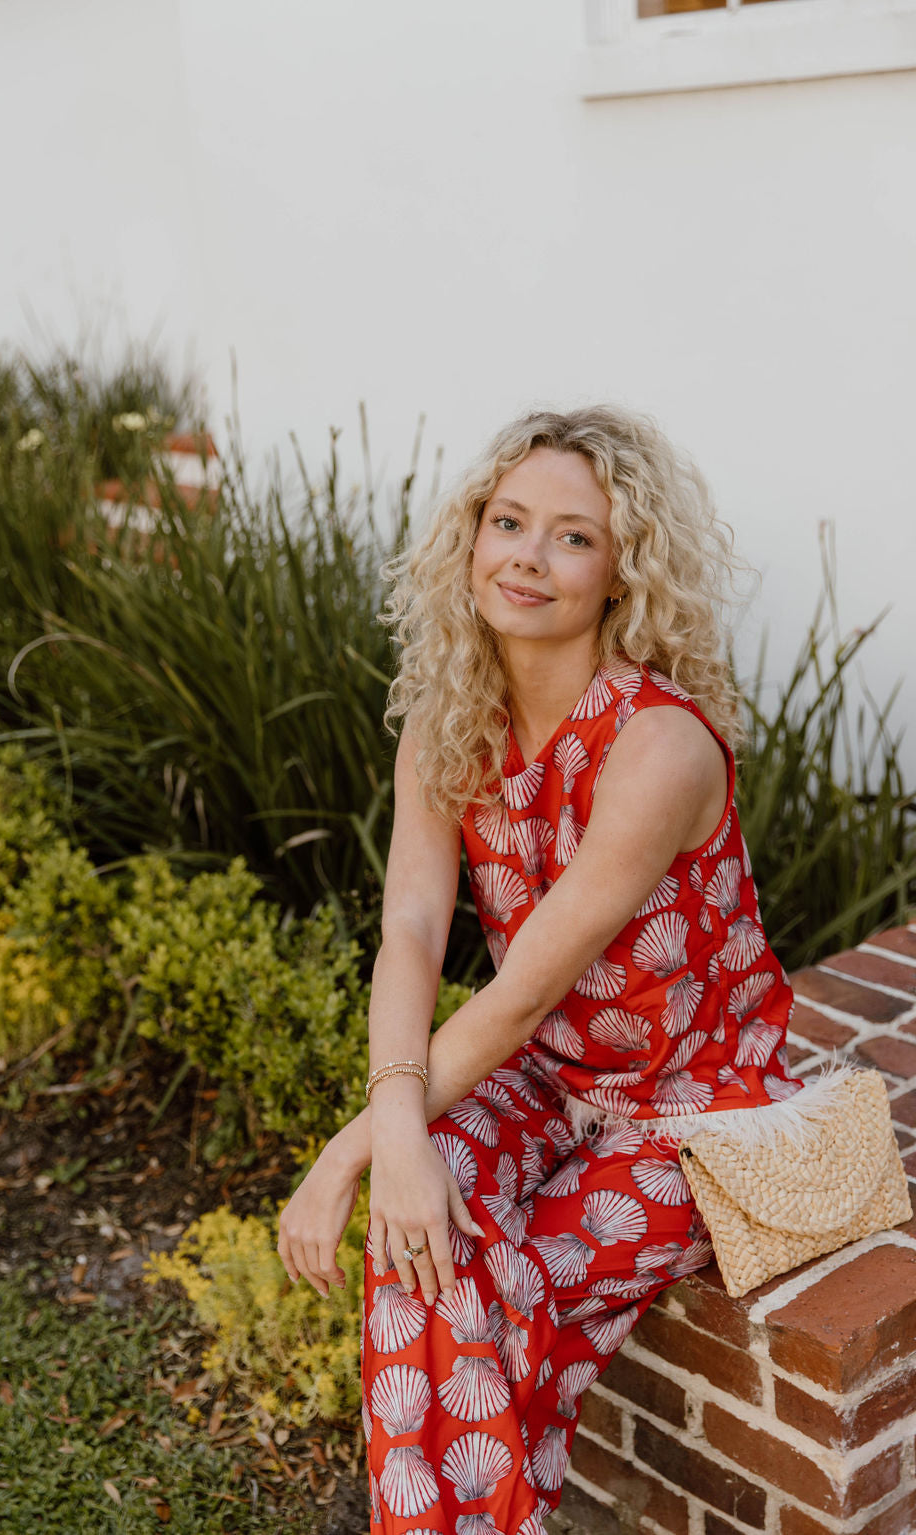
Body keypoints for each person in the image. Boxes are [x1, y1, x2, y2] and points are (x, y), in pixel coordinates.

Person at [278, 405, 808, 1535]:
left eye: (573, 537)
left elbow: (517, 993)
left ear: (621, 574)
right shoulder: (448, 719)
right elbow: (411, 930)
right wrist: (402, 1135)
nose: (527, 555)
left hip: (693, 1110)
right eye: (508, 521)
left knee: (478, 1284)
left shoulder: (657, 745)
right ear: (471, 536)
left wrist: (347, 1152)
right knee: (424, 1235)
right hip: (549, 1075)